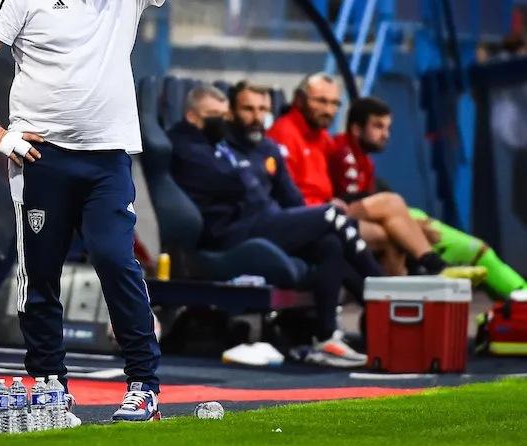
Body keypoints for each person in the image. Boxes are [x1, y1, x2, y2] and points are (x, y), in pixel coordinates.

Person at [0, 0, 200, 421]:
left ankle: (143, 385)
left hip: (107, 158)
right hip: (40, 158)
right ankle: (47, 385)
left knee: (117, 261)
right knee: (39, 275)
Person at [168, 83, 382, 367]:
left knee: (328, 242)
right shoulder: (213, 144)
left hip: (269, 222)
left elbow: (292, 200)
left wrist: (306, 225)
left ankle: (325, 338)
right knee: (332, 215)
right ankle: (383, 294)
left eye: (263, 109)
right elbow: (232, 184)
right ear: (233, 112)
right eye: (248, 109)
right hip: (239, 230)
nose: (257, 116)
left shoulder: (267, 148)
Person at [266, 73, 459, 277]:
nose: (328, 110)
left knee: (392, 235)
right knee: (391, 204)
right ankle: (433, 264)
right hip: (306, 218)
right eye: (321, 101)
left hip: (329, 211)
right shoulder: (283, 134)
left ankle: (384, 304)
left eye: (334, 103)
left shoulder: (323, 139)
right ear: (300, 100)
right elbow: (284, 195)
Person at [330, 97, 522, 297]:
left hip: (396, 217)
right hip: (365, 221)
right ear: (356, 129)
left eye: (388, 128)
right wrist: (410, 227)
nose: (385, 135)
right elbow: (352, 205)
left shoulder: (365, 162)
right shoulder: (343, 155)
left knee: (473, 249)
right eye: (378, 126)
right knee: (477, 251)